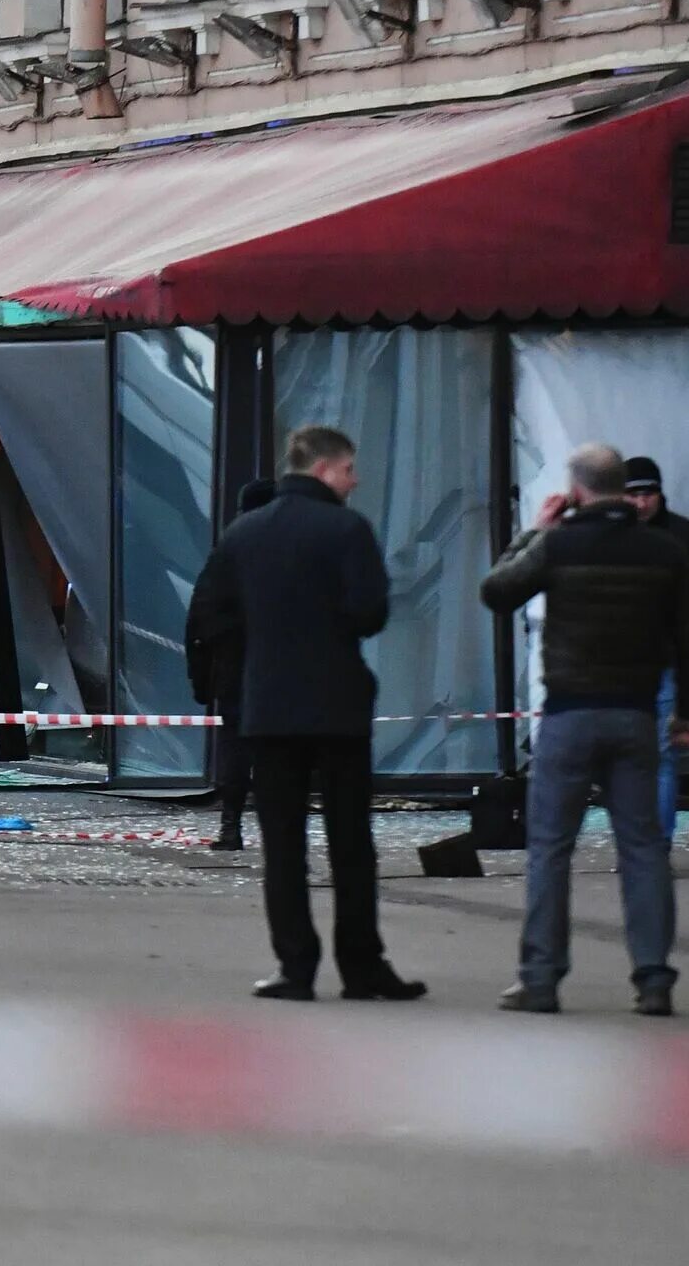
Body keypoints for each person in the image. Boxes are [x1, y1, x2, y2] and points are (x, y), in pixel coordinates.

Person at [196, 426, 424, 1003]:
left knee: (283, 843)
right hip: (337, 705)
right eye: (350, 469)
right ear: (325, 470)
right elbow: (370, 612)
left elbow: (212, 612)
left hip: (269, 708)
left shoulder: (244, 534)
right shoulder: (347, 530)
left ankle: (295, 968)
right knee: (350, 841)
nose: (357, 479)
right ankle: (362, 966)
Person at [483, 444, 689, 1017]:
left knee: (550, 847)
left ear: (576, 491)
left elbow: (497, 591)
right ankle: (653, 979)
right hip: (635, 714)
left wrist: (535, 531)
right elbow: (688, 638)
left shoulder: (559, 543)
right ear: (624, 488)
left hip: (571, 715)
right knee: (644, 848)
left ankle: (541, 979)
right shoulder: (664, 551)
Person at [185, 477, 277, 852]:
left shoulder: (228, 552)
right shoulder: (292, 550)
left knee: (236, 749)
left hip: (235, 673)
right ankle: (280, 834)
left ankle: (231, 827)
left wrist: (201, 681)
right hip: (281, 672)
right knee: (279, 752)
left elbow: (200, 619)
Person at [622, 456, 689, 845]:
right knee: (636, 757)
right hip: (621, 662)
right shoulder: (611, 537)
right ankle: (646, 843)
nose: (640, 503)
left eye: (647, 493)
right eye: (633, 494)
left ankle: (655, 843)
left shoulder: (684, 538)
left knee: (657, 756)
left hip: (660, 659)